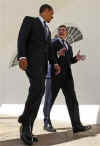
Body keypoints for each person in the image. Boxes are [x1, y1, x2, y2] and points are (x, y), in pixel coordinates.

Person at [17, 4, 60, 145]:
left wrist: (54, 63)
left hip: (42, 67)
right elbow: (21, 38)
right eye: (51, 14)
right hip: (31, 63)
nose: (52, 17)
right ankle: (25, 124)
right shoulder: (30, 21)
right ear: (46, 11)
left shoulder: (47, 30)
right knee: (38, 87)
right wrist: (22, 57)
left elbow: (49, 50)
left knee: (39, 91)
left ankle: (28, 126)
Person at [43, 25, 91, 133]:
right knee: (49, 100)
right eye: (59, 30)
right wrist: (57, 54)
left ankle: (77, 125)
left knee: (73, 101)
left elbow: (68, 61)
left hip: (67, 78)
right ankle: (46, 123)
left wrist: (76, 59)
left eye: (63, 30)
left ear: (66, 33)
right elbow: (49, 55)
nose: (61, 31)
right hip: (54, 75)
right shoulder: (53, 42)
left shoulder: (69, 46)